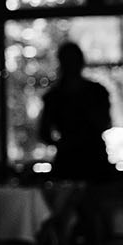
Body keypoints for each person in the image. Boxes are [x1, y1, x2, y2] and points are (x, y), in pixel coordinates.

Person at [37, 41, 115, 180]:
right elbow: (106, 122)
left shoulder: (55, 97)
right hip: (85, 158)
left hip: (83, 158)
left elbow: (44, 132)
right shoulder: (95, 92)